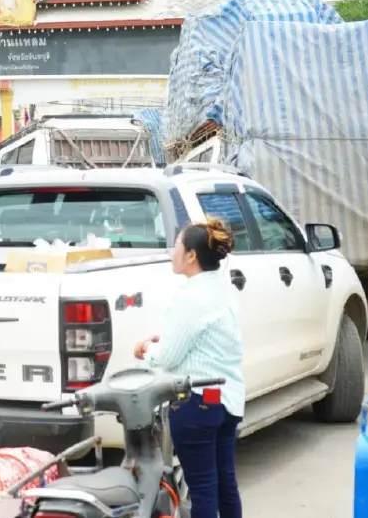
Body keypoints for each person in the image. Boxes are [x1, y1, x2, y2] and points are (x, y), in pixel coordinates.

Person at [133, 218, 244, 518]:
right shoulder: (224, 290)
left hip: (196, 403)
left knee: (203, 489)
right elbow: (205, 342)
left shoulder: (190, 298)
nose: (172, 252)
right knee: (225, 485)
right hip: (228, 399)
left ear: (191, 255)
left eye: (177, 246)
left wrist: (146, 350)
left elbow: (167, 358)